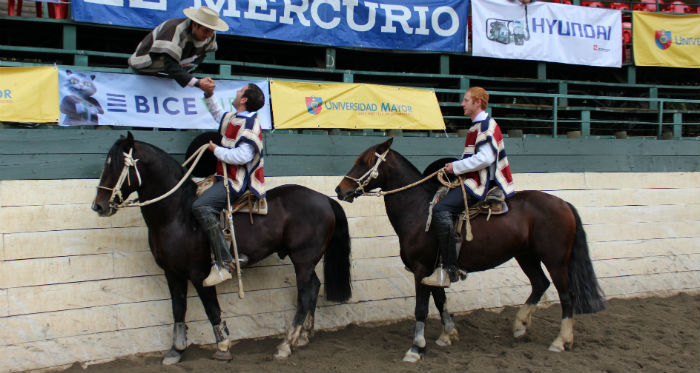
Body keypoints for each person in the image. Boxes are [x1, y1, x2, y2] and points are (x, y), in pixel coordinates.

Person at [422, 87, 515, 288]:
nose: (462, 104)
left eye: (466, 100)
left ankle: (449, 268)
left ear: (477, 103)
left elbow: (485, 159)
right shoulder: (477, 125)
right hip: (472, 179)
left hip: (479, 183)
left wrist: (455, 167)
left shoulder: (486, 125)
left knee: (441, 209)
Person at [193, 81, 266, 287]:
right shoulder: (235, 117)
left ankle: (224, 262)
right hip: (222, 176)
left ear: (243, 100)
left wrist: (215, 150)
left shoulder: (251, 124)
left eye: (240, 91)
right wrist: (209, 94)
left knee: (201, 206)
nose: (236, 92)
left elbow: (242, 156)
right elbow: (218, 114)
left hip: (236, 181)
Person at [128, 6, 228, 93]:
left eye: (211, 31)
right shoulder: (174, 28)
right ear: (194, 24)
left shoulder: (210, 35)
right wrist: (197, 83)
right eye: (205, 31)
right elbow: (169, 64)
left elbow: (203, 54)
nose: (208, 35)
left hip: (173, 71)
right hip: (145, 66)